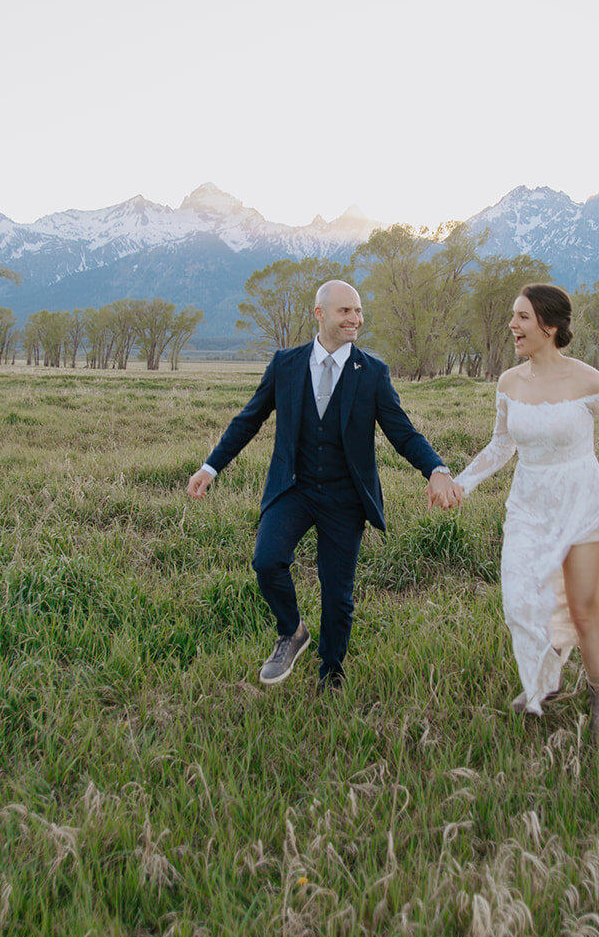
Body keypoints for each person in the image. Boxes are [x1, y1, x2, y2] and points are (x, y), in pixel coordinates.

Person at [187, 279, 463, 691]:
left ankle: (331, 673)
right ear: (320, 315)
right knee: (267, 561)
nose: (356, 319)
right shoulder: (286, 364)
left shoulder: (372, 373)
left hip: (345, 497)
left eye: (358, 311)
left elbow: (402, 433)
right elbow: (250, 419)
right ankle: (292, 632)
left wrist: (436, 468)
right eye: (345, 311)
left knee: (338, 595)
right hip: (293, 488)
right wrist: (211, 467)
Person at [454, 283, 599, 736]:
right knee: (523, 602)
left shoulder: (588, 380)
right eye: (513, 317)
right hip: (529, 505)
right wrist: (461, 484)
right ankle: (547, 674)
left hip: (582, 503)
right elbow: (502, 444)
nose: (512, 326)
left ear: (549, 327)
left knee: (582, 607)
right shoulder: (508, 382)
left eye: (521, 318)